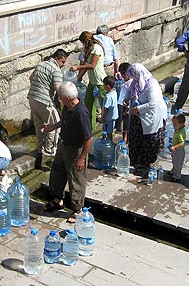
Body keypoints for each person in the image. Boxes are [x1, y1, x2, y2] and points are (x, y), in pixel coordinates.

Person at [42, 81, 93, 223]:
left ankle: (78, 208)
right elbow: (63, 121)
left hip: (76, 149)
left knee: (76, 178)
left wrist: (82, 157)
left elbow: (89, 138)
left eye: (60, 96)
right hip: (63, 144)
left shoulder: (81, 113)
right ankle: (57, 199)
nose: (58, 98)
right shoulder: (67, 107)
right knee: (58, 171)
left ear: (67, 98)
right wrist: (52, 127)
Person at [28, 49, 70, 169]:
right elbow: (58, 89)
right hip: (45, 101)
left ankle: (40, 150)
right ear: (57, 59)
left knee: (39, 126)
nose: (63, 65)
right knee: (55, 125)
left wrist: (38, 89)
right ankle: (50, 153)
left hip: (32, 98)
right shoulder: (56, 70)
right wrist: (65, 103)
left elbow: (31, 78)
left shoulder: (41, 64)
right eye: (63, 61)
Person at [126, 63, 167, 177]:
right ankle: (135, 161)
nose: (133, 78)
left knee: (148, 140)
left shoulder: (151, 85)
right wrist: (126, 99)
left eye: (134, 75)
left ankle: (145, 164)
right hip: (137, 114)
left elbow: (152, 104)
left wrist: (138, 109)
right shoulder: (135, 82)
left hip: (151, 116)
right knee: (135, 136)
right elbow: (129, 91)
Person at [71, 31, 107, 130]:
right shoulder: (89, 49)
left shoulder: (97, 48)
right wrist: (79, 77)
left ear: (86, 40)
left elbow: (92, 66)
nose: (83, 44)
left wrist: (77, 67)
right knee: (88, 104)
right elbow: (86, 66)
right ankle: (90, 127)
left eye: (83, 42)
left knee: (106, 104)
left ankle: (109, 126)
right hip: (92, 82)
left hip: (100, 81)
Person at [115, 62, 132, 143]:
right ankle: (122, 135)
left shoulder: (132, 82)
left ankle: (126, 138)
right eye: (122, 73)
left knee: (127, 121)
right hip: (120, 103)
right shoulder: (122, 80)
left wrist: (129, 106)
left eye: (125, 73)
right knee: (120, 120)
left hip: (127, 105)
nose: (123, 75)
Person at [98, 75, 118, 140]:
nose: (103, 86)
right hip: (113, 116)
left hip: (108, 118)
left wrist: (102, 118)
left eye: (104, 85)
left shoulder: (108, 97)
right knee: (110, 131)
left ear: (107, 86)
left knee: (107, 132)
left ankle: (109, 144)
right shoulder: (114, 92)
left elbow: (106, 109)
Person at [169, 113, 186, 182]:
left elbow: (182, 143)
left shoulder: (181, 133)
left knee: (178, 163)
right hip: (176, 150)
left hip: (179, 151)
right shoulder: (178, 130)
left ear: (181, 124)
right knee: (174, 161)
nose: (173, 126)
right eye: (173, 124)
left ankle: (177, 176)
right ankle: (173, 170)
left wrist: (174, 147)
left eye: (175, 124)